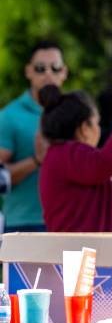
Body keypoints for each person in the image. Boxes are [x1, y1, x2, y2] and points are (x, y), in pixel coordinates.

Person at [38, 76, 112, 232]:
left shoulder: (66, 158)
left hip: (86, 252)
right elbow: (109, 163)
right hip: (75, 254)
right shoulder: (65, 154)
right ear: (85, 128)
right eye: (97, 123)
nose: (99, 130)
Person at [0, 40, 68, 231]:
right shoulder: (9, 116)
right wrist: (36, 160)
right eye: (40, 68)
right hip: (24, 224)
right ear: (28, 71)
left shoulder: (75, 113)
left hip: (69, 223)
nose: (48, 73)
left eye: (55, 68)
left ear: (64, 72)